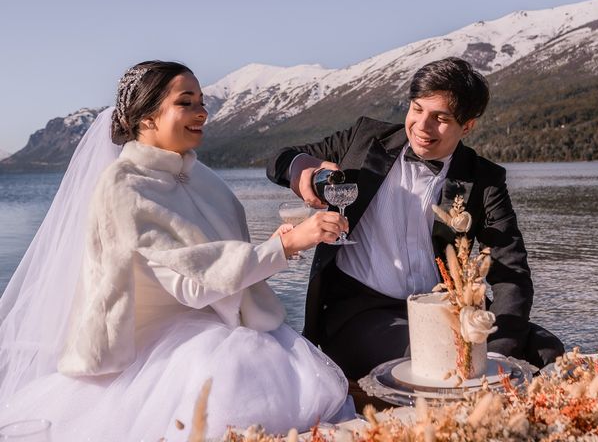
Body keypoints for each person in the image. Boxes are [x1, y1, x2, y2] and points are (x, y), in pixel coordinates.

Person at [0, 61, 353, 440]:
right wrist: (285, 244)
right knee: (236, 379)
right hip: (166, 348)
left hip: (228, 325)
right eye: (186, 102)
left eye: (202, 101)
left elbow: (221, 258)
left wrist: (279, 247)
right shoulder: (124, 186)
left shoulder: (201, 177)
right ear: (147, 117)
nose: (202, 112)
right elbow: (192, 285)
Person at [266, 57, 565, 383]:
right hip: (361, 313)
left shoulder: (484, 180)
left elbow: (512, 272)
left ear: (467, 126)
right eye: (417, 109)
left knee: (547, 349)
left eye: (440, 118)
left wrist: (497, 353)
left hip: (445, 308)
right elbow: (280, 159)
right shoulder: (364, 140)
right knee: (432, 358)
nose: (422, 126)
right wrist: (302, 171)